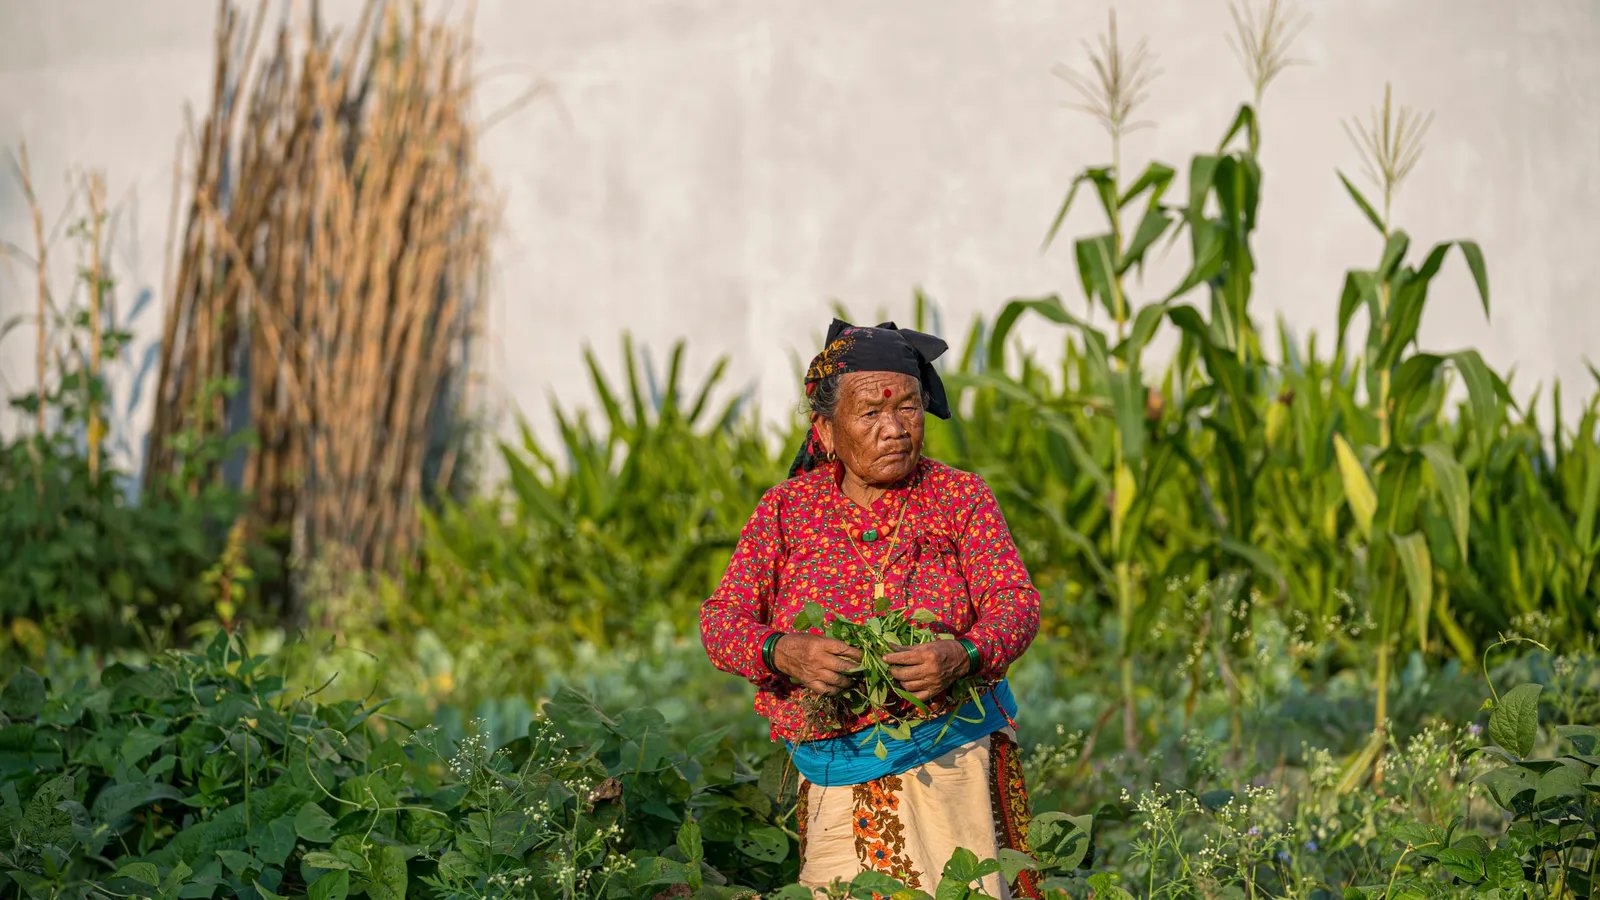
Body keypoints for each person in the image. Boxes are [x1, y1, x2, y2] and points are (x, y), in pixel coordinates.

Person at [699, 318, 1042, 896]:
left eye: (907, 409)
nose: (894, 430)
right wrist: (783, 650)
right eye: (870, 414)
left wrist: (963, 653)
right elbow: (721, 621)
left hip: (952, 761)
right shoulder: (787, 510)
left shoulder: (960, 496)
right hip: (837, 770)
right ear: (826, 432)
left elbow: (1015, 601)